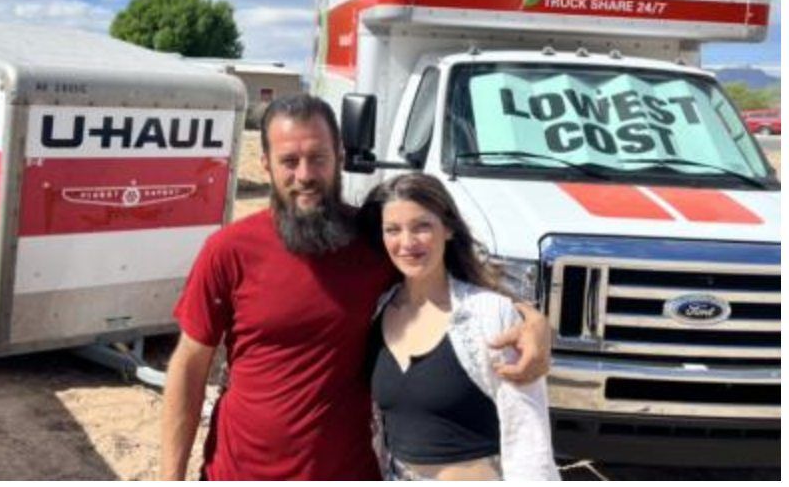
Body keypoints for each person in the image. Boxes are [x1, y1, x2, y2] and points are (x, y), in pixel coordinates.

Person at [160, 94, 552, 480]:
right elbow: (190, 365)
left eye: (318, 158)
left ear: (340, 158)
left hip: (348, 471)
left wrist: (532, 322)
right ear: (265, 164)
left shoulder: (375, 242)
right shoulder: (228, 251)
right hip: (238, 472)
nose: (305, 175)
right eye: (289, 162)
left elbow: (454, 280)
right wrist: (169, 477)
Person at [360, 173, 560, 480]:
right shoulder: (375, 312)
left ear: (449, 228)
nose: (407, 242)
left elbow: (528, 435)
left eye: (422, 226)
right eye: (393, 230)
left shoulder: (490, 315)